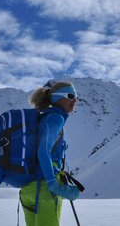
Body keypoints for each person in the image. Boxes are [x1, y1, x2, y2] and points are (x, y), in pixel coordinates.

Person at [20, 81, 80, 226]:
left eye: (76, 97)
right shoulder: (55, 118)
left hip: (27, 188)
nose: (75, 100)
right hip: (45, 189)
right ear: (58, 98)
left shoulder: (40, 118)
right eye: (71, 96)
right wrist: (53, 183)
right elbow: (43, 150)